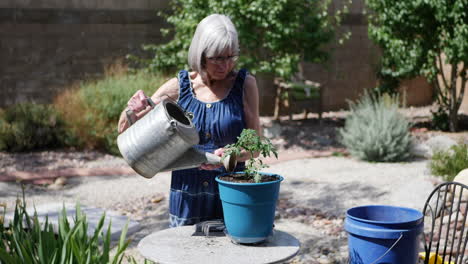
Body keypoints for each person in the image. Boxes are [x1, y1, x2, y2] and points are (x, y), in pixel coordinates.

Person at [117, 14, 260, 227]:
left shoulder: (245, 85)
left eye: (231, 57)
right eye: (217, 58)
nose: (226, 65)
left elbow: (256, 146)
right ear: (201, 55)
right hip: (186, 193)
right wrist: (132, 111)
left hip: (232, 190)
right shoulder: (180, 86)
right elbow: (125, 130)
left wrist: (232, 154)